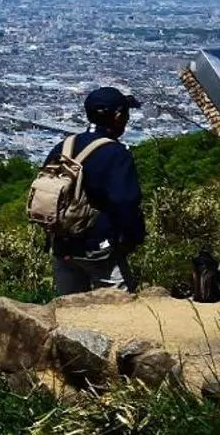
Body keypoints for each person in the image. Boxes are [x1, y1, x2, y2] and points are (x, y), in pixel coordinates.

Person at [45, 86, 146, 294]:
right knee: (120, 308)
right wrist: (132, 237)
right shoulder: (116, 153)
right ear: (118, 116)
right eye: (126, 113)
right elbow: (125, 202)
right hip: (98, 246)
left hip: (62, 243)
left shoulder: (64, 146)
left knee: (69, 310)